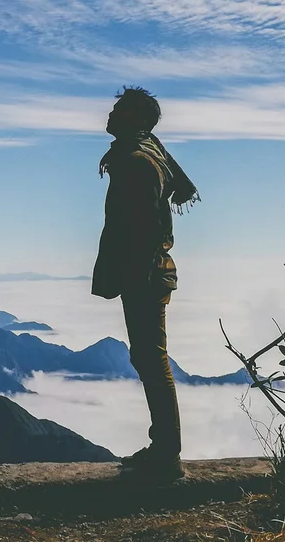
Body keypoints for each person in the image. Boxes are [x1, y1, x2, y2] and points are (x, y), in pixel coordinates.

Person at [93, 86, 200, 484]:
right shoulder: (145, 150)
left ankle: (166, 455)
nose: (110, 114)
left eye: (119, 109)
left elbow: (145, 225)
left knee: (152, 361)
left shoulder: (137, 161)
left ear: (136, 119)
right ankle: (162, 448)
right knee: (147, 359)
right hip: (149, 273)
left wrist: (132, 275)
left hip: (145, 275)